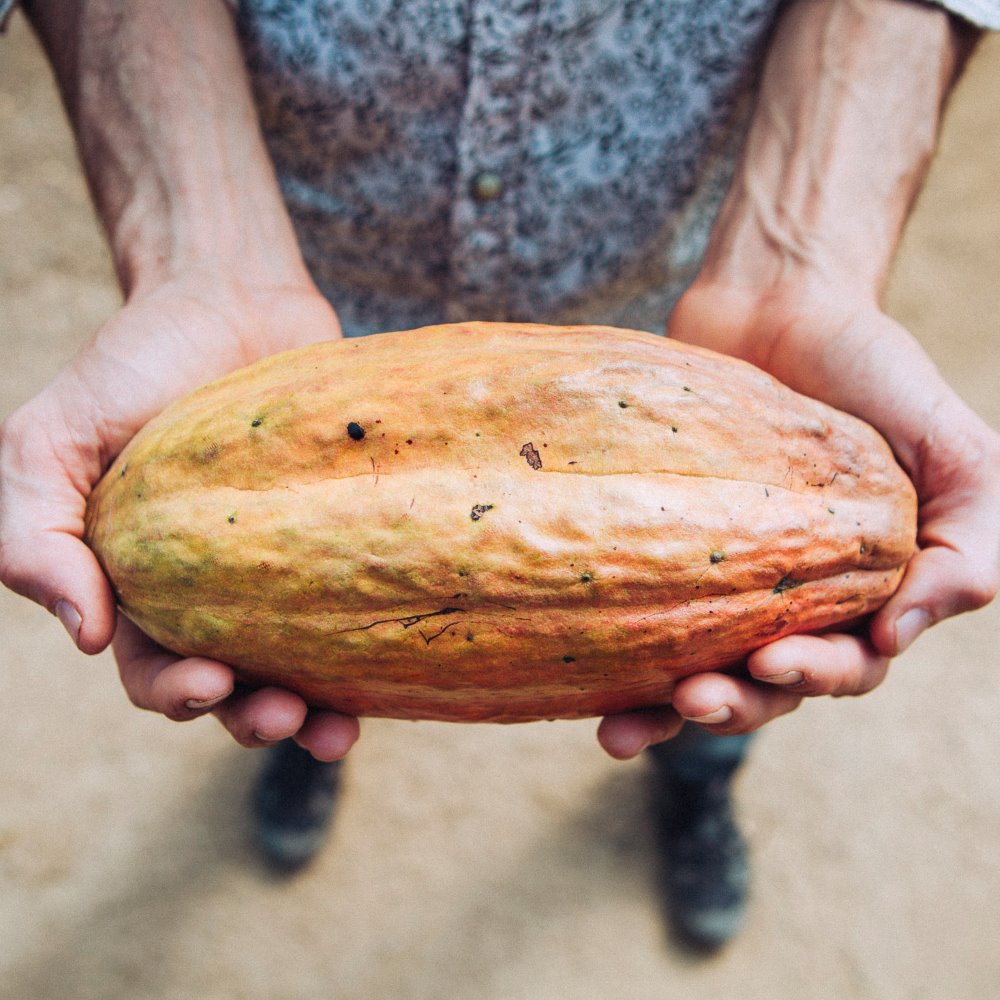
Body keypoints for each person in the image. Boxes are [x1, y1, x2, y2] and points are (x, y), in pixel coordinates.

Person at [2, 0, 998, 952]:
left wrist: (801, 261)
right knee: (311, 672)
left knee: (722, 664)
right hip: (295, 306)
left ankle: (697, 775)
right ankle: (303, 747)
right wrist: (197, 255)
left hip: (686, 322)